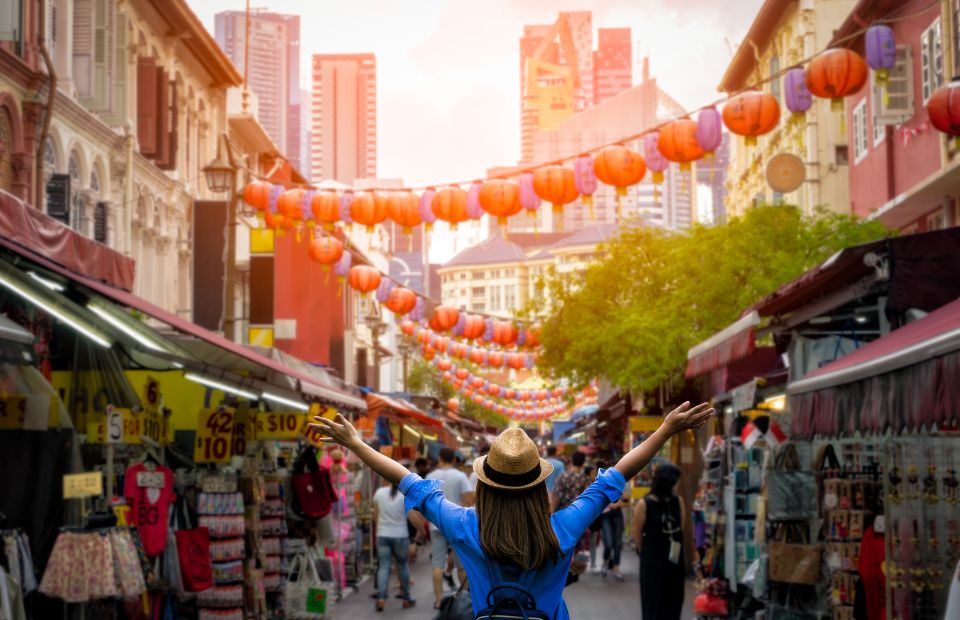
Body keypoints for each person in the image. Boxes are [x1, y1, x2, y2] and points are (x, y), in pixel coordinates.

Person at [309, 401, 712, 619]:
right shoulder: (562, 529)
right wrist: (665, 430)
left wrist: (356, 444)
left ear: (486, 484)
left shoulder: (466, 526)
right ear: (539, 486)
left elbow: (408, 481)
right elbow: (616, 476)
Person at [633, 463, 686, 620]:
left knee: (674, 602)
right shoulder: (645, 504)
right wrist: (645, 552)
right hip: (652, 561)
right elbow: (637, 533)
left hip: (675, 561)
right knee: (652, 602)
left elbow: (681, 527)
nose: (676, 485)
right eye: (674, 482)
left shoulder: (678, 501)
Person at [426, 447, 474, 609]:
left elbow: (424, 501)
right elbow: (468, 499)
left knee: (437, 564)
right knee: (462, 565)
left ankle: (438, 600)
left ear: (439, 458)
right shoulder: (460, 476)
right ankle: (467, 599)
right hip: (456, 524)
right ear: (453, 459)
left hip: (436, 523)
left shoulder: (430, 477)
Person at [371, 478, 423, 611]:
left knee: (383, 567)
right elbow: (413, 518)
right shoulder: (404, 496)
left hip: (383, 535)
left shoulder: (379, 493)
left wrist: (379, 532)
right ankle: (406, 598)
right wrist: (422, 531)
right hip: (400, 536)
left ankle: (381, 598)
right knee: (402, 566)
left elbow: (376, 516)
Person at [600, 487, 629, 581]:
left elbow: (627, 500)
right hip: (605, 516)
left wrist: (618, 503)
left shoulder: (620, 484)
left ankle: (616, 568)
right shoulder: (603, 482)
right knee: (608, 543)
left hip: (617, 515)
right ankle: (605, 562)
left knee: (617, 543)